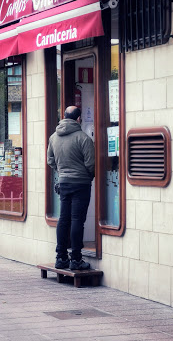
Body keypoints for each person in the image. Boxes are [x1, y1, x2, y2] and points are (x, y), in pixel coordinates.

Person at [47, 106, 95, 270]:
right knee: (77, 221)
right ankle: (76, 259)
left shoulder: (53, 137)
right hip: (81, 183)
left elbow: (50, 160)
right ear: (79, 119)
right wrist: (88, 176)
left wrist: (62, 172)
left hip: (64, 182)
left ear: (64, 117)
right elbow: (90, 164)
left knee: (63, 219)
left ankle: (61, 258)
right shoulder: (83, 138)